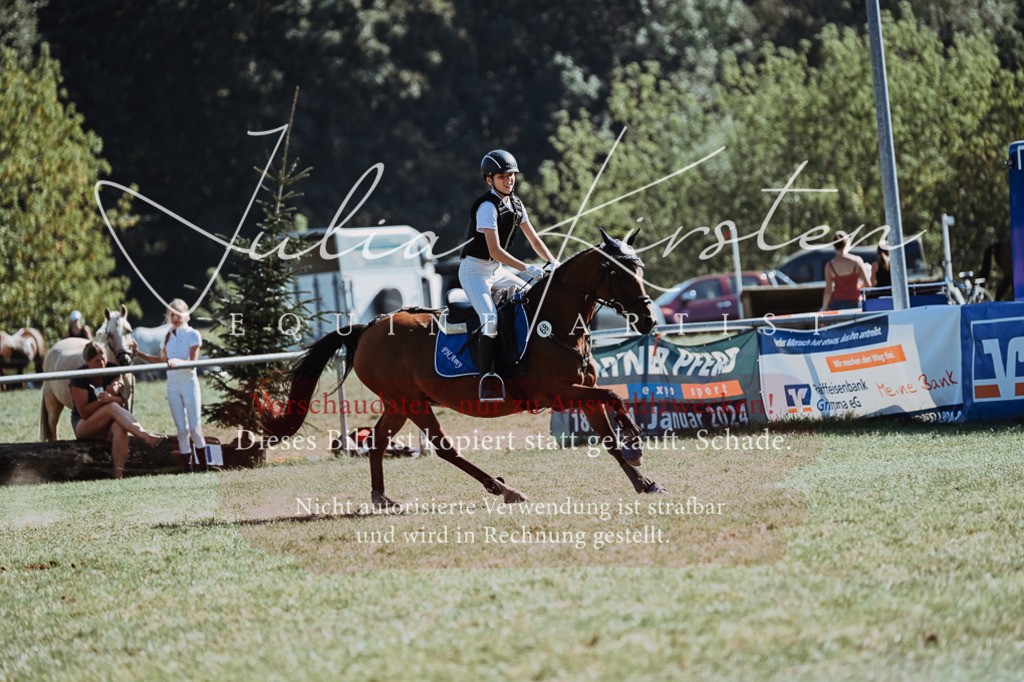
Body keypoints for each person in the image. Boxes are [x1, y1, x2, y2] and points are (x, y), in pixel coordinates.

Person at [459, 150, 557, 402]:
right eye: (502, 176)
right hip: (475, 271)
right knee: (490, 320)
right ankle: (486, 379)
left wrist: (551, 261)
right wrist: (527, 268)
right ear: (490, 180)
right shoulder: (486, 207)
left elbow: (534, 238)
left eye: (511, 175)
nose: (509, 180)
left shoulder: (516, 204)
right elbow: (494, 250)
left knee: (530, 298)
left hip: (496, 270)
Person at [70, 342, 164, 478]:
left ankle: (118, 476)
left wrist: (111, 397)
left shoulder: (112, 369)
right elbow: (84, 412)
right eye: (97, 361)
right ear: (87, 362)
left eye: (103, 359)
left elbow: (122, 402)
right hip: (83, 425)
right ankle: (145, 436)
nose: (102, 363)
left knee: (119, 426)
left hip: (105, 425)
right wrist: (102, 401)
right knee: (111, 407)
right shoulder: (79, 377)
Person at [133, 299, 207, 463]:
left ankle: (204, 463)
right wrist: (138, 353)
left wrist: (178, 362)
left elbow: (193, 363)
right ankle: (188, 466)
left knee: (195, 427)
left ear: (186, 315)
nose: (175, 318)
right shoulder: (167, 336)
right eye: (172, 314)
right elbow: (160, 360)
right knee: (182, 429)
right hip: (172, 385)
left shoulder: (193, 334)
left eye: (178, 314)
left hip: (188, 383)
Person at [821, 231, 872, 311]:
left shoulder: (829, 266)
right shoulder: (857, 261)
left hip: (837, 303)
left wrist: (824, 309)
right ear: (846, 243)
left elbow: (828, 290)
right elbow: (868, 285)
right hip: (855, 302)